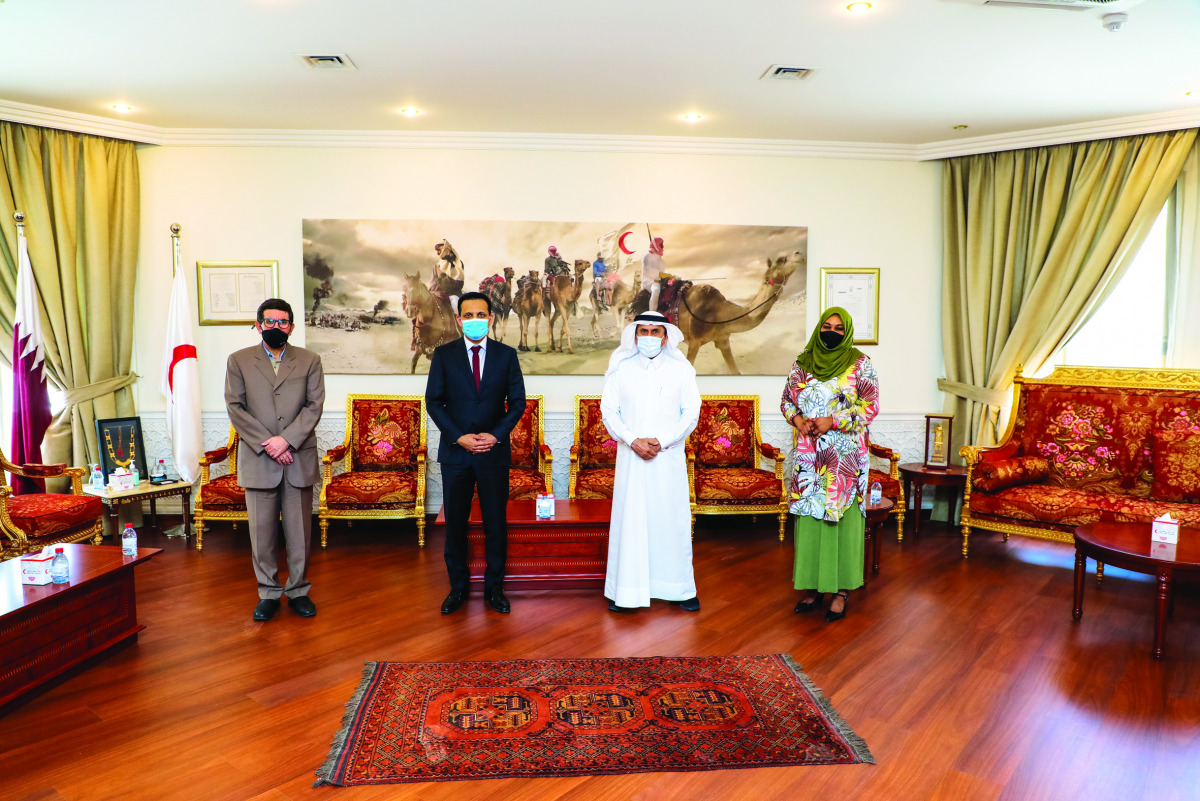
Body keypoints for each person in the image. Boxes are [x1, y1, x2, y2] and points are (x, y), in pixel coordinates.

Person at [425, 291, 527, 615]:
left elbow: (518, 403)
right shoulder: (443, 355)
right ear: (459, 320)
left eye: (480, 315)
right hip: (456, 454)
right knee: (455, 523)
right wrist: (459, 437)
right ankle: (458, 588)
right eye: (467, 316)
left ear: (491, 318)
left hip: (492, 454)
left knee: (495, 522)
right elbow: (434, 402)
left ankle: (494, 589)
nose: (474, 321)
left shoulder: (506, 355)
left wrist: (495, 436)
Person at [224, 299, 325, 622]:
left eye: (283, 322)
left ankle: (298, 591)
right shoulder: (238, 361)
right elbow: (235, 406)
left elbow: (314, 405)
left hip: (297, 457)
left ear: (292, 327)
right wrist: (269, 444)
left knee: (300, 535)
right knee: (262, 534)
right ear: (258, 325)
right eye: (270, 322)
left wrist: (287, 440)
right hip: (259, 458)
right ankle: (268, 593)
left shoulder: (310, 360)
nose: (276, 327)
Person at [781, 307, 879, 623]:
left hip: (845, 460)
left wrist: (832, 420)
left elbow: (870, 408)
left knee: (842, 522)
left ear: (847, 331)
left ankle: (841, 591)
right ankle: (812, 588)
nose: (832, 331)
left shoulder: (861, 365)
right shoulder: (802, 364)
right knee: (810, 521)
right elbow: (786, 401)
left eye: (839, 327)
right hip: (809, 460)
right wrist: (797, 420)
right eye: (827, 326)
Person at [601, 311, 702, 613]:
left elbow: (691, 412)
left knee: (670, 522)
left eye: (654, 331)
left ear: (665, 336)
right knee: (631, 521)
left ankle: (678, 589)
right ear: (634, 335)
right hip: (631, 458)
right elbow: (609, 411)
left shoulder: (682, 370)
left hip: (667, 458)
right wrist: (633, 440)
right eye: (642, 331)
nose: (648, 336)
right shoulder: (620, 368)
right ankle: (627, 592)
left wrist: (663, 439)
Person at [642, 237, 665, 313]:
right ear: (656, 245)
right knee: (656, 290)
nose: (663, 246)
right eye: (661, 244)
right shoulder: (647, 256)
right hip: (648, 281)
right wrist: (660, 274)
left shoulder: (661, 261)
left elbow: (661, 274)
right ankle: (652, 314)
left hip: (658, 281)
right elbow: (647, 270)